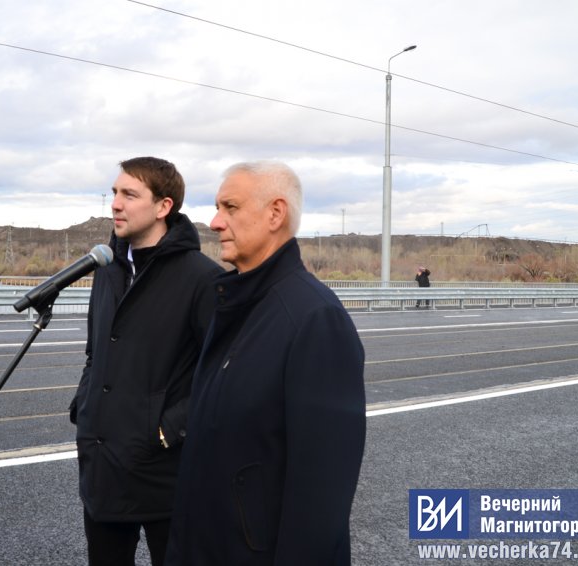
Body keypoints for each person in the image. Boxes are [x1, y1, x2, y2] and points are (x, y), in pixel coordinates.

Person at [166, 161, 366, 565]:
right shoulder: (237, 303)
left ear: (275, 213)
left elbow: (320, 497)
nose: (215, 221)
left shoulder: (313, 318)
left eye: (230, 207)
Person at [69, 156, 223, 566]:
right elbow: (95, 351)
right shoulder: (106, 268)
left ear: (163, 207)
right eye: (115, 193)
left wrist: (167, 431)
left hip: (165, 475)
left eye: (129, 195)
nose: (115, 204)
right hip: (103, 465)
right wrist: (84, 406)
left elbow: (223, 374)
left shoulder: (202, 278)